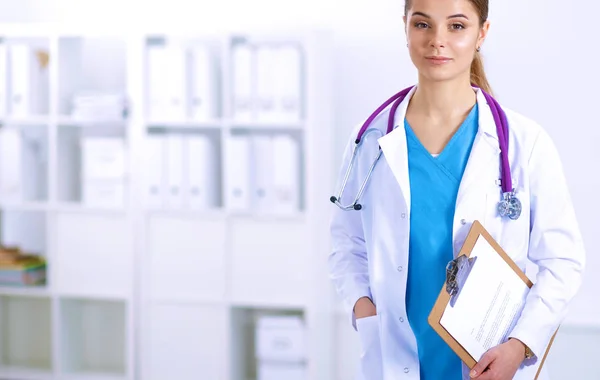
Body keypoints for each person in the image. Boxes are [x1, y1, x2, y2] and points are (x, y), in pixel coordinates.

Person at [328, 0, 586, 379]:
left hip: (487, 362)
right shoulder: (370, 139)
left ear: (482, 33)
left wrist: (519, 345)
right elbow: (345, 245)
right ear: (405, 28)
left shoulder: (523, 143)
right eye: (422, 25)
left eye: (456, 26)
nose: (437, 41)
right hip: (394, 356)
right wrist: (363, 307)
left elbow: (563, 261)